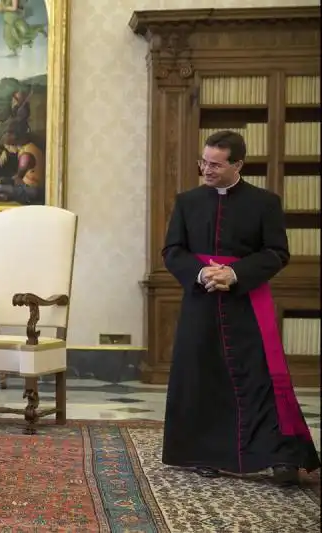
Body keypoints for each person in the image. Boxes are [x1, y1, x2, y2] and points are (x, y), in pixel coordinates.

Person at [161, 129, 320, 486]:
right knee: (203, 377)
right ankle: (204, 453)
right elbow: (172, 251)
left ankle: (279, 456)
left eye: (216, 164)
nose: (207, 170)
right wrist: (202, 273)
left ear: (238, 164)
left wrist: (234, 273)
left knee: (261, 378)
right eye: (203, 162)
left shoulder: (265, 202)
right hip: (201, 302)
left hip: (246, 302)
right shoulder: (187, 201)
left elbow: (277, 252)